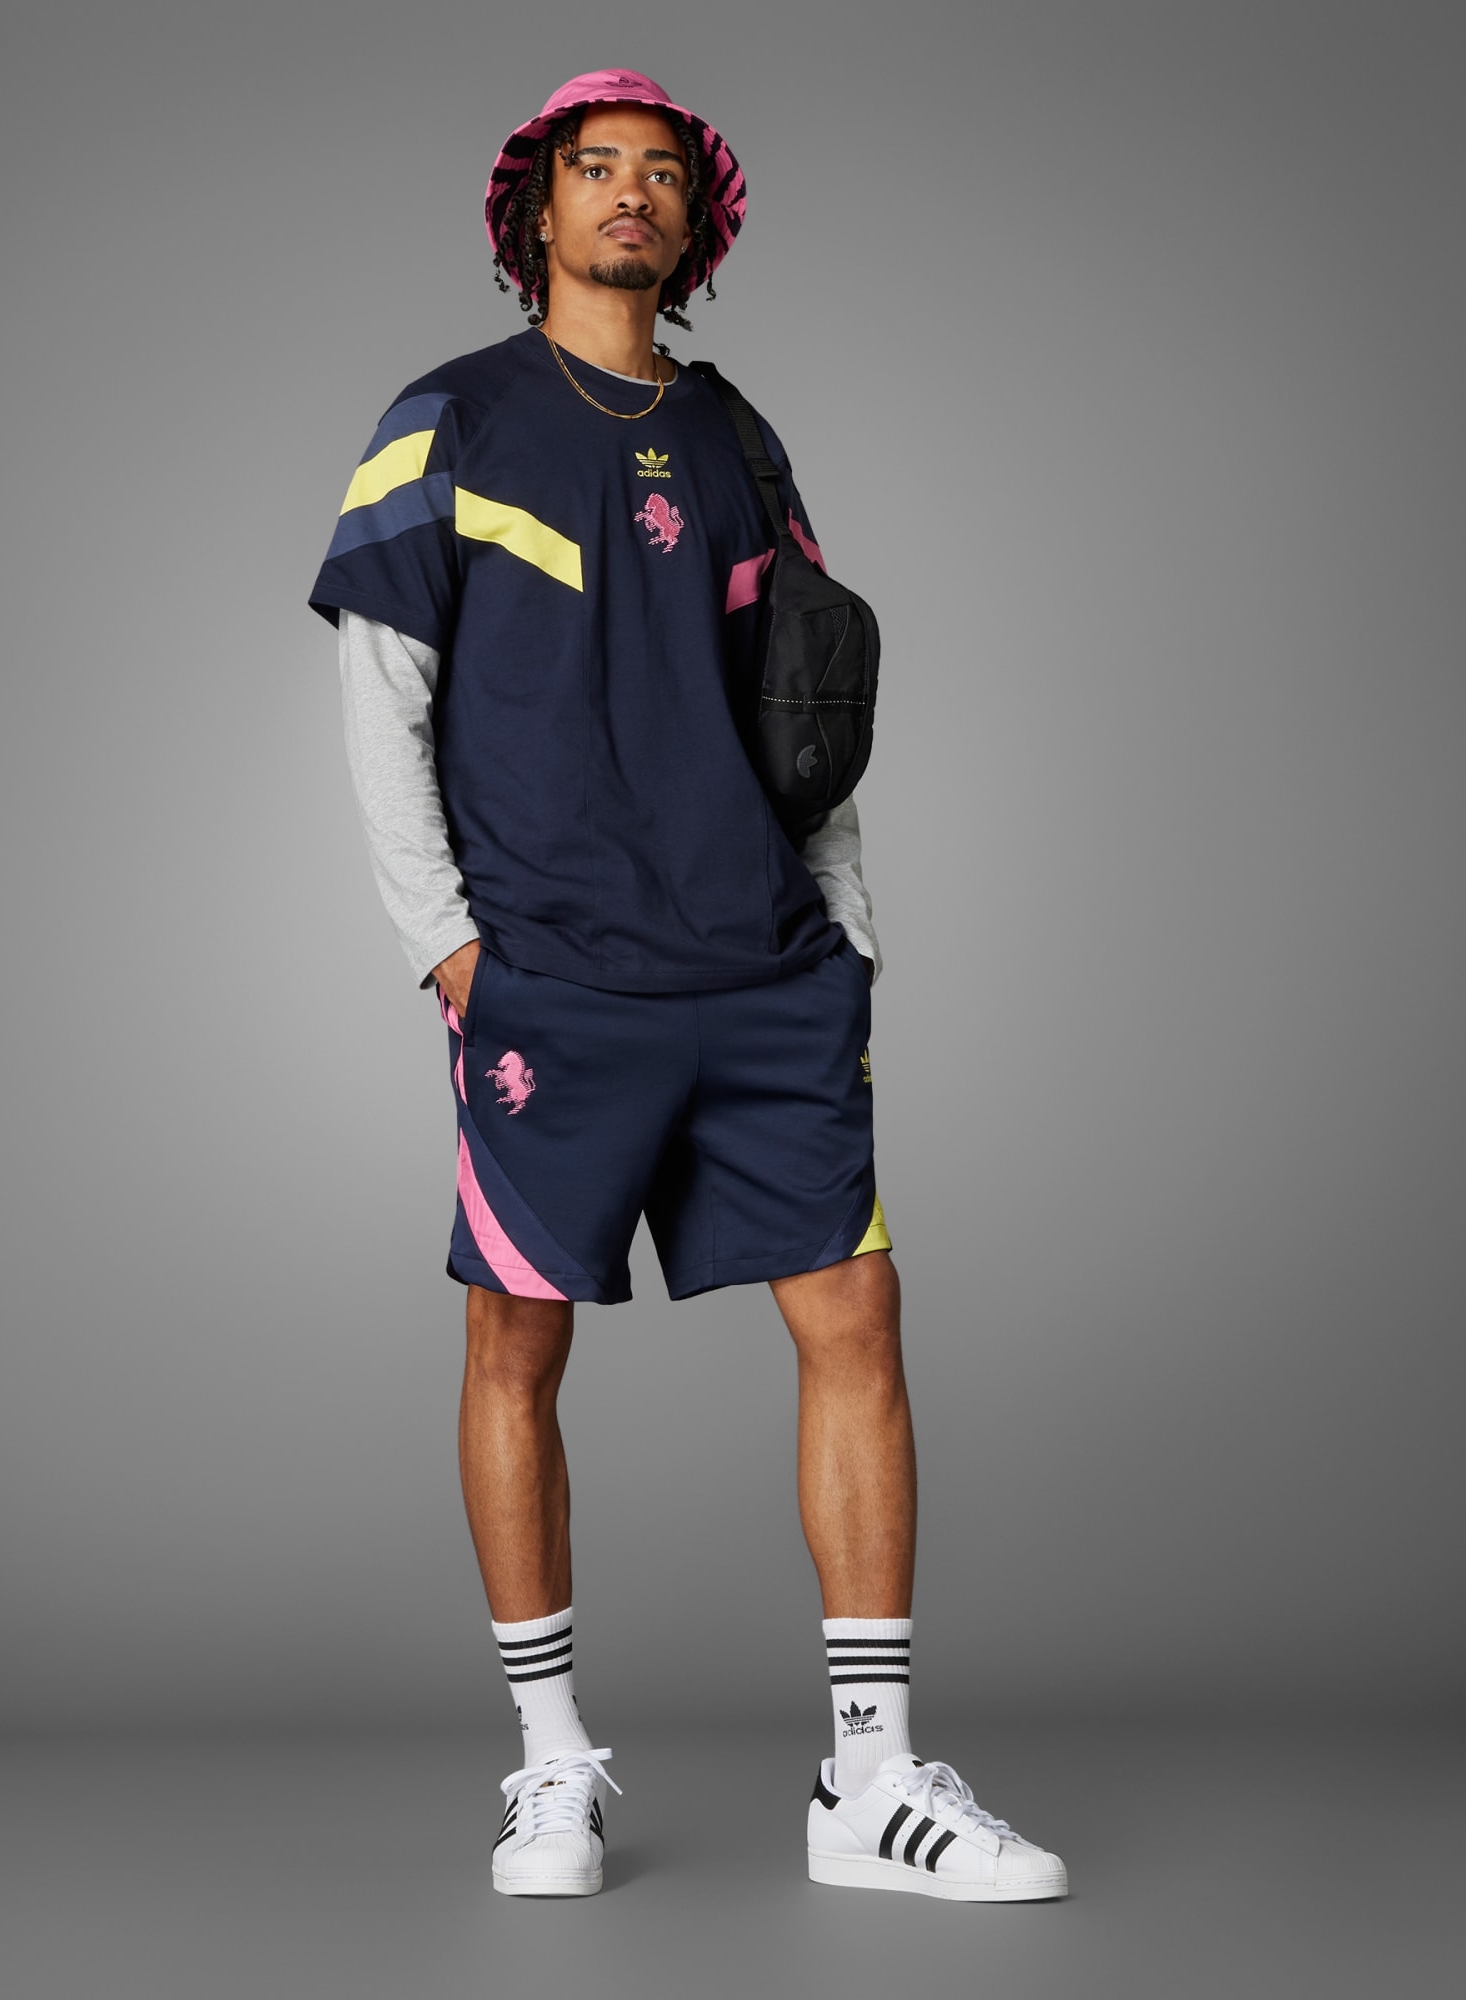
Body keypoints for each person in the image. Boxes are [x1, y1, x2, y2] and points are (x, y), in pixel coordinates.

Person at [308, 68, 1066, 1905]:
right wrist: (447, 948)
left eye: (662, 174)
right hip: (553, 974)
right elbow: (382, 697)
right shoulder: (447, 419)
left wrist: (847, 924)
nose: (631, 195)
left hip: (764, 964)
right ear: (538, 210)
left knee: (858, 1319)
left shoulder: (739, 438)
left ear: (694, 222)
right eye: (598, 170)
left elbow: (809, 708)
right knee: (515, 1341)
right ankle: (549, 1766)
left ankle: (869, 1782)